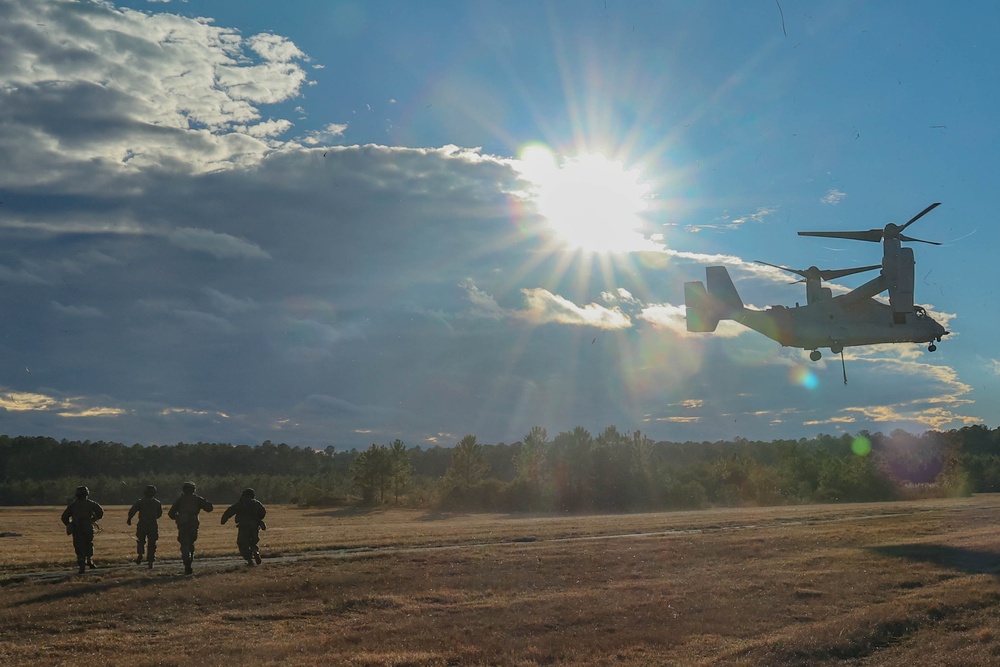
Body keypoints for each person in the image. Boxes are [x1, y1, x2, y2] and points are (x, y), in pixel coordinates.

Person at [167, 481, 213, 574]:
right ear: (193, 490)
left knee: (184, 544)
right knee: (191, 543)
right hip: (193, 523)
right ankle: (189, 560)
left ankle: (187, 562)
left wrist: (178, 517)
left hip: (183, 524)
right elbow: (209, 508)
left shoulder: (180, 500)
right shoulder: (197, 499)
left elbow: (171, 514)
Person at [60, 486, 104, 574]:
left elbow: (64, 517)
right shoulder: (91, 504)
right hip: (88, 527)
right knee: (88, 544)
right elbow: (100, 512)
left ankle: (82, 565)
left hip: (77, 528)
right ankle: (89, 560)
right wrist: (93, 519)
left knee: (79, 546)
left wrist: (69, 524)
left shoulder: (73, 505)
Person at [220, 488, 267, 566]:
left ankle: (250, 561)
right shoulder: (257, 503)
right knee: (253, 542)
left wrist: (223, 520)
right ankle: (256, 551)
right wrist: (257, 520)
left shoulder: (241, 503)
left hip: (244, 526)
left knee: (242, 543)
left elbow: (230, 511)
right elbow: (263, 513)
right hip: (255, 526)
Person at [127, 484, 163, 569]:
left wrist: (129, 519)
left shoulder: (140, 502)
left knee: (141, 541)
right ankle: (150, 560)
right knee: (152, 543)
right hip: (152, 524)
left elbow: (132, 510)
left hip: (142, 524)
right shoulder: (157, 503)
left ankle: (140, 555)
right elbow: (159, 514)